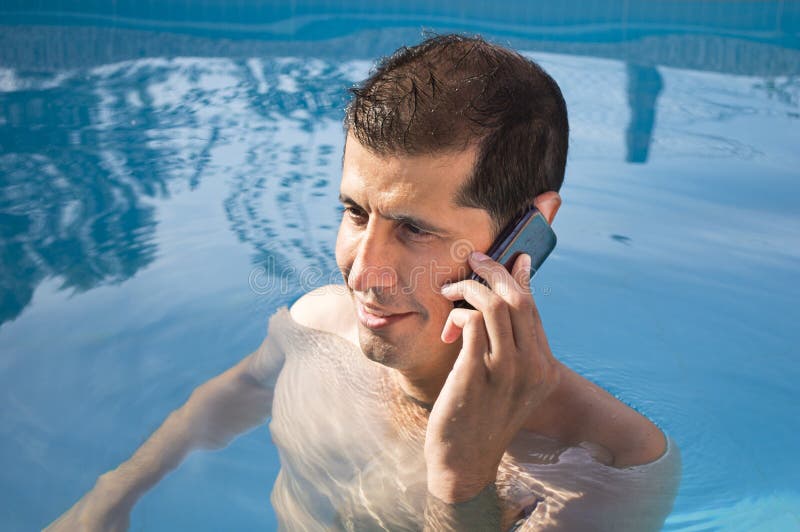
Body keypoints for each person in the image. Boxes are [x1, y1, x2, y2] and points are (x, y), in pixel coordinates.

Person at [48, 34, 680, 531]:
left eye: (414, 229)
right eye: (355, 213)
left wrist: (462, 483)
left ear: (528, 230)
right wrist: (111, 496)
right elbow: (230, 397)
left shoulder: (609, 465)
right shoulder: (317, 326)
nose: (360, 271)